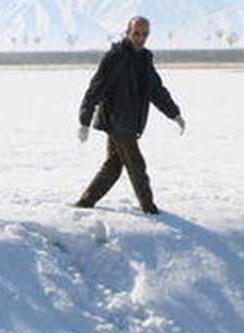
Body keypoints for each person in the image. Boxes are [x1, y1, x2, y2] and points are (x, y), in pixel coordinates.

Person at [75, 16, 184, 215]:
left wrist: (174, 113)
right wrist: (85, 121)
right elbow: (95, 89)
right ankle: (149, 209)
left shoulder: (144, 59)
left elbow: (155, 90)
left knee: (114, 166)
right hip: (117, 121)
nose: (140, 38)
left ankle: (85, 203)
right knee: (136, 165)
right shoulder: (115, 57)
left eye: (144, 34)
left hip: (131, 121)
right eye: (136, 33)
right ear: (127, 32)